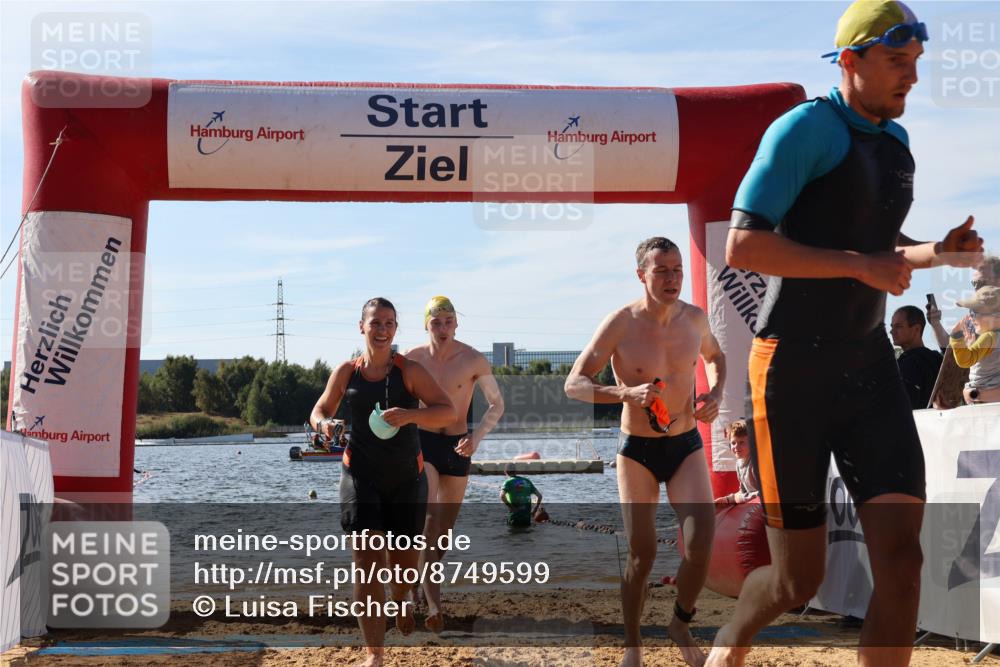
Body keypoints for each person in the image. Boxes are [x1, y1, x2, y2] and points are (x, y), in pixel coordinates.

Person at [708, 3, 983, 666]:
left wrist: (936, 253)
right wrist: (860, 265)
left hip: (867, 368)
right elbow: (744, 244)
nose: (912, 77)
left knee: (902, 560)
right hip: (791, 372)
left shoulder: (895, 144)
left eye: (917, 62)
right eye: (897, 61)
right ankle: (731, 639)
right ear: (852, 61)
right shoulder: (803, 130)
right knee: (796, 580)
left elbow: (877, 243)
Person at [565, 236, 725, 667]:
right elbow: (574, 384)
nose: (673, 278)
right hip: (636, 449)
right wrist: (624, 392)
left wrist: (716, 393)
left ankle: (679, 622)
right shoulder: (620, 322)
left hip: (685, 442)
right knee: (643, 552)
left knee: (702, 540)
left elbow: (716, 357)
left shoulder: (695, 318)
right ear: (642, 276)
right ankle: (633, 643)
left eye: (677, 270)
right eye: (663, 271)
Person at [310, 297, 455, 667]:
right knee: (367, 562)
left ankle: (403, 598)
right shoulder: (347, 372)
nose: (382, 330)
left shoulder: (409, 371)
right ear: (362, 327)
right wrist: (324, 425)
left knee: (402, 568)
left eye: (389, 323)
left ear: (395, 330)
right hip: (360, 476)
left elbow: (447, 412)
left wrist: (408, 415)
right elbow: (320, 410)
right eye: (375, 323)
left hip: (407, 479)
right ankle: (375, 655)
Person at [406, 295, 505, 633]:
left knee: (443, 534)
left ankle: (418, 584)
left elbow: (497, 405)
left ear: (457, 324)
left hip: (460, 445)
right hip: (423, 443)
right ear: (426, 325)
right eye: (436, 322)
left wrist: (476, 438)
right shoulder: (411, 359)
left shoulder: (473, 359)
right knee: (429, 522)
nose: (443, 328)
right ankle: (430, 602)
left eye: (448, 322)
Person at [950, 286, 1000, 404]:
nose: (971, 317)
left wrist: (956, 337)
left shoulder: (989, 337)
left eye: (975, 313)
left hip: (983, 396)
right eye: (970, 312)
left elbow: (964, 360)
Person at [890, 306, 942, 409]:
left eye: (898, 326)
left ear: (916, 329)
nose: (892, 331)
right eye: (892, 327)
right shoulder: (937, 358)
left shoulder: (908, 362)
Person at [714, 420, 759, 508]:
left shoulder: (756, 463)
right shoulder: (739, 463)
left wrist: (742, 498)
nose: (736, 447)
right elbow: (743, 491)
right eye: (733, 443)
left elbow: (765, 494)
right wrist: (728, 499)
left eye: (742, 442)